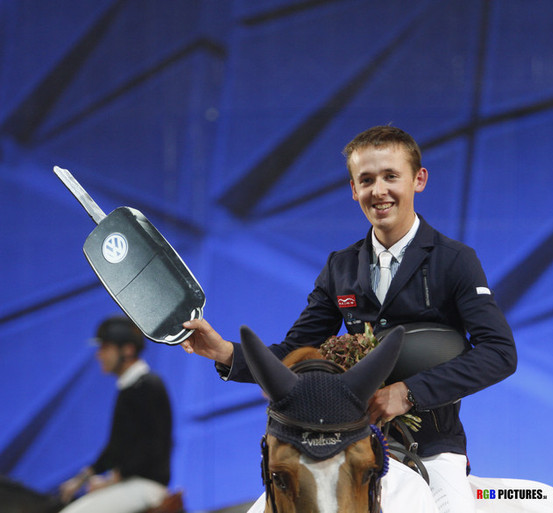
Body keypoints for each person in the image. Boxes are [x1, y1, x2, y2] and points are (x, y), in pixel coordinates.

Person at [182, 125, 517, 513]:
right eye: (366, 180)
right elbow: (294, 352)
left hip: (432, 449)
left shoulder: (455, 260)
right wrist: (225, 353)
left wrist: (408, 393)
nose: (379, 190)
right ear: (353, 189)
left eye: (391, 176)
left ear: (418, 180)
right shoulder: (340, 267)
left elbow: (499, 353)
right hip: (346, 442)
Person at [59, 315, 173, 513]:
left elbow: (153, 446)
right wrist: (82, 479)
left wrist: (112, 480)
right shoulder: (128, 388)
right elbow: (115, 449)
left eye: (105, 347)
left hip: (146, 485)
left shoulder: (148, 386)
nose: (99, 355)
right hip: (130, 483)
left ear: (127, 349)